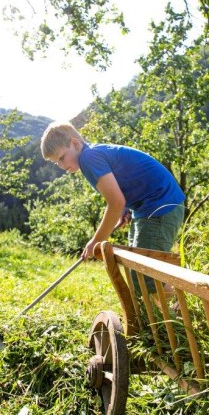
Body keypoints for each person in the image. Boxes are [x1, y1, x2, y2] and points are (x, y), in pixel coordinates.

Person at [40, 121, 185, 293]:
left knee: (146, 279)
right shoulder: (92, 153)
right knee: (137, 272)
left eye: (62, 157)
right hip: (147, 208)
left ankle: (182, 306)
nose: (62, 166)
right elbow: (123, 189)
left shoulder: (88, 158)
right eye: (57, 163)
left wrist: (96, 241)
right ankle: (164, 311)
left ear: (75, 143)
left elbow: (116, 202)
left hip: (160, 206)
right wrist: (125, 210)